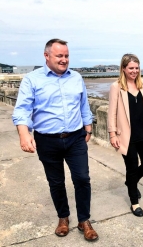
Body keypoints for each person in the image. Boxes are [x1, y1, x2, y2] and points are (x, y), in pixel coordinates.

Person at [12, 39, 99, 241]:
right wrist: (24, 134)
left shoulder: (76, 77)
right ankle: (63, 218)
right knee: (56, 182)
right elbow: (22, 110)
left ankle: (84, 220)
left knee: (82, 179)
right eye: (59, 56)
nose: (64, 60)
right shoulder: (32, 80)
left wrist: (88, 127)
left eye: (66, 56)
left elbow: (83, 104)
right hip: (47, 140)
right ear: (47, 56)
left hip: (76, 137)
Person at [107, 53, 143, 217]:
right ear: (123, 68)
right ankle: (134, 203)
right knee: (131, 168)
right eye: (131, 68)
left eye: (137, 68)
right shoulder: (116, 86)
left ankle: (131, 181)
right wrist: (112, 134)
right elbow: (112, 112)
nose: (134, 71)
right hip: (126, 137)